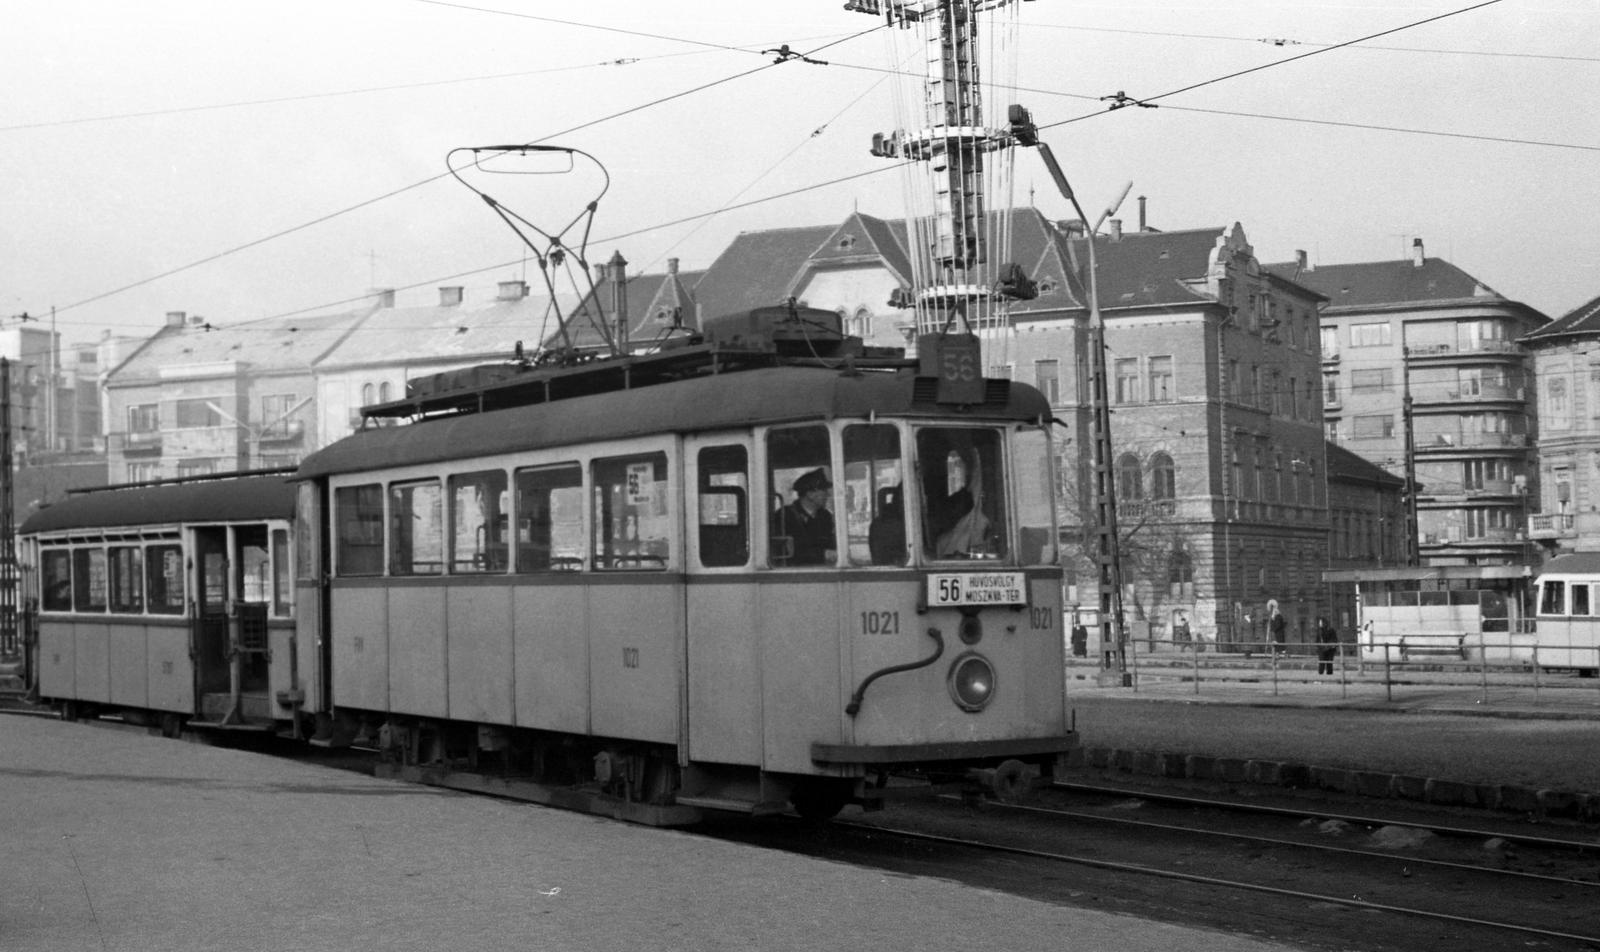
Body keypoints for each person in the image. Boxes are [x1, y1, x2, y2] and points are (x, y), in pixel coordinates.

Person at [774, 468, 835, 565]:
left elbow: (831, 544)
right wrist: (823, 554)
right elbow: (784, 550)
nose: (828, 494)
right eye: (823, 490)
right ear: (810, 494)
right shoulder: (784, 516)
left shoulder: (825, 516)